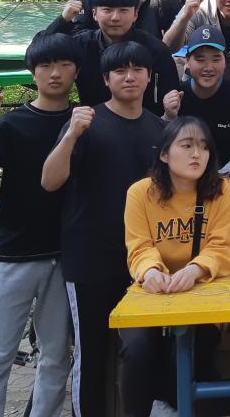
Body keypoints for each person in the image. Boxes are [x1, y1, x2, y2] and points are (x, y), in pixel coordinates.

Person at [41, 41, 167, 417]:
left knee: (144, 350)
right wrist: (70, 135)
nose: (129, 77)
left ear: (149, 77)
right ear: (105, 79)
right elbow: (50, 181)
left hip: (144, 262)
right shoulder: (85, 123)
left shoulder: (160, 129)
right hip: (90, 259)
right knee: (91, 353)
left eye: (137, 69)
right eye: (119, 71)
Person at [0, 33, 80, 417]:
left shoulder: (85, 120)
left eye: (64, 64)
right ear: (33, 72)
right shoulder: (11, 124)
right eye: (46, 65)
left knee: (56, 357)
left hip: (63, 257)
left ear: (76, 71)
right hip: (11, 256)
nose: (55, 73)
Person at [120, 116, 230, 416]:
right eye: (186, 146)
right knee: (137, 351)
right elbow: (138, 246)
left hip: (203, 291)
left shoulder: (224, 191)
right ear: (164, 154)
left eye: (204, 147)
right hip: (152, 292)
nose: (197, 154)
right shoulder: (140, 193)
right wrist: (150, 271)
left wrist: (194, 270)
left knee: (197, 348)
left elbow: (221, 247)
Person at [47, 0, 179, 116]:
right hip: (91, 121)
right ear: (94, 14)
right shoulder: (82, 45)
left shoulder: (155, 49)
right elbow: (40, 54)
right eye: (107, 10)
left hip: (147, 122)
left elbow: (171, 93)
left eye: (123, 10)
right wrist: (63, 20)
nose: (115, 18)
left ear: (135, 14)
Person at [162, 26, 230, 179]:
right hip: (182, 177)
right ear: (187, 61)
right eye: (200, 60)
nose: (208, 67)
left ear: (225, 62)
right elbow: (160, 146)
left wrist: (218, 180)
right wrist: (169, 117)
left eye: (216, 59)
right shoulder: (176, 96)